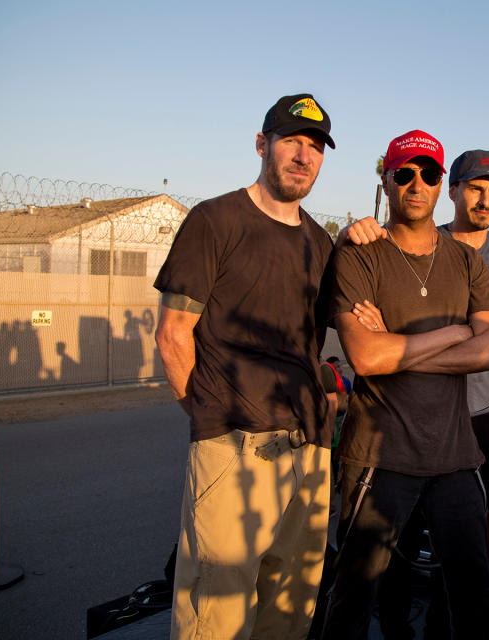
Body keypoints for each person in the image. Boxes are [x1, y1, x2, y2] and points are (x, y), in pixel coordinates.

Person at [153, 93, 337, 640]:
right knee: (217, 615)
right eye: (292, 141)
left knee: (291, 608)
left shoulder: (320, 242)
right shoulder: (214, 221)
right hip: (233, 448)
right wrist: (211, 415)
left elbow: (312, 345)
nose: (304, 156)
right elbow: (172, 334)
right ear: (263, 144)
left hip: (309, 452)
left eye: (315, 146)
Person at [320, 130, 489, 640]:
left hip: (454, 457)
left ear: (441, 181)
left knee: (472, 595)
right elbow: (364, 355)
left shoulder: (466, 260)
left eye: (428, 173)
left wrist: (397, 352)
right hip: (379, 459)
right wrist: (455, 332)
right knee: (356, 595)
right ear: (387, 180)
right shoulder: (361, 255)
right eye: (404, 173)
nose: (417, 183)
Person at [353, 150, 489, 640]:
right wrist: (462, 338)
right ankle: (394, 624)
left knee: (460, 545)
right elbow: (370, 341)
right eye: (476, 188)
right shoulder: (417, 241)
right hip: (412, 417)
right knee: (396, 536)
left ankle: (445, 627)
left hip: (480, 417)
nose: (486, 199)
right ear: (452, 189)